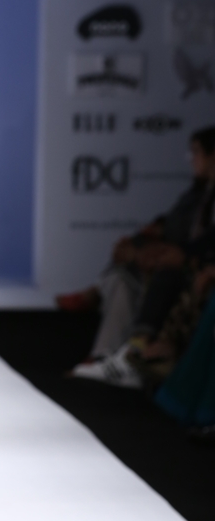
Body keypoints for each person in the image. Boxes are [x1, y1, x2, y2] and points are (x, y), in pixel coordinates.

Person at [63, 127, 215, 386]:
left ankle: (135, 350)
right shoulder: (197, 193)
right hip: (182, 255)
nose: (192, 159)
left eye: (197, 152)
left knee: (163, 273)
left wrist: (181, 254)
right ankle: (107, 356)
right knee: (123, 275)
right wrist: (144, 241)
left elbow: (205, 240)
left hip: (194, 263)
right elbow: (171, 224)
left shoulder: (205, 195)